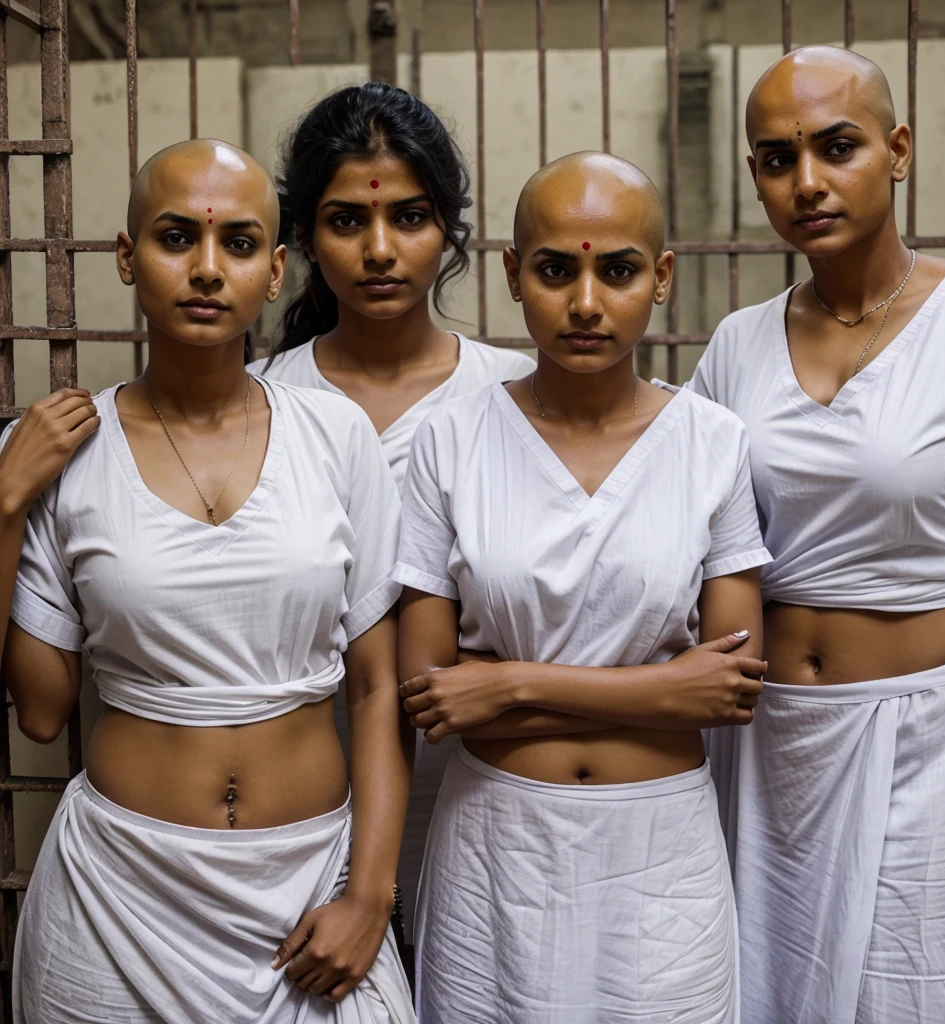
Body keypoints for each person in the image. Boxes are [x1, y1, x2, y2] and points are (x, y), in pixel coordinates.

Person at [0, 139, 415, 1023]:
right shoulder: (64, 452)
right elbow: (39, 711)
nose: (205, 268)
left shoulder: (335, 437)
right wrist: (2, 505)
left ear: (273, 270)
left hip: (310, 889)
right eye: (175, 237)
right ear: (126, 256)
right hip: (120, 896)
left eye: (237, 243)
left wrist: (370, 897)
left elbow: (381, 687)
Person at [686, 45, 945, 1024]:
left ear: (898, 149)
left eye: (837, 147)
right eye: (776, 158)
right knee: (771, 995)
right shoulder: (735, 346)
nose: (807, 182)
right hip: (771, 748)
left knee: (925, 997)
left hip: (942, 743)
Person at [392, 151, 772, 1023]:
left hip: (662, 860)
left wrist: (510, 683)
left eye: (619, 270)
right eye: (558, 271)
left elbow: (727, 691)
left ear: (663, 277)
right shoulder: (451, 442)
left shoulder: (712, 443)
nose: (588, 302)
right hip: (496, 850)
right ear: (514, 276)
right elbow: (431, 696)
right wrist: (659, 689)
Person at [250, 83, 534, 920]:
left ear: (448, 228)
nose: (380, 249)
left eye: (410, 218)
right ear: (301, 235)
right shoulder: (259, 407)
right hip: (300, 809)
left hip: (488, 793)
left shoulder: (520, 397)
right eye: (347, 221)